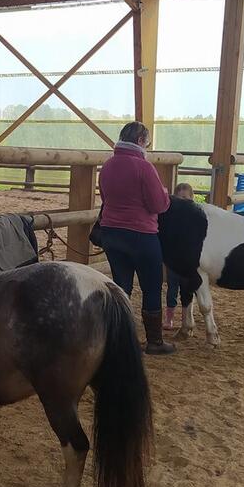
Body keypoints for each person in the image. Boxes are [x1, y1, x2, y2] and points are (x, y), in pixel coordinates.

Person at [96, 121, 175, 355]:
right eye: (147, 142)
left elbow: (105, 198)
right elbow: (158, 204)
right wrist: (164, 195)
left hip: (111, 231)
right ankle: (154, 341)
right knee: (151, 286)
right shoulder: (144, 168)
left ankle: (121, 339)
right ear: (141, 141)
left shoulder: (108, 166)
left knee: (121, 286)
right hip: (141, 234)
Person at [164, 182, 195, 330]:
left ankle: (185, 319)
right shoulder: (171, 218)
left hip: (187, 262)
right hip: (173, 261)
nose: (182, 202)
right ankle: (169, 318)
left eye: (185, 199)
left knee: (187, 290)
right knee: (171, 290)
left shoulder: (194, 219)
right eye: (179, 198)